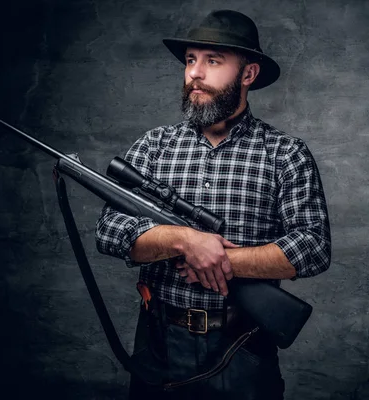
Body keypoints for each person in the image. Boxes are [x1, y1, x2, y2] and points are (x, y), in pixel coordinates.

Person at [96, 9, 331, 400]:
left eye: (213, 61)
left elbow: (313, 247)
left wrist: (222, 259)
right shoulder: (153, 146)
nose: (195, 73)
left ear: (249, 74)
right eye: (190, 60)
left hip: (243, 348)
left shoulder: (285, 153)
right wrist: (184, 240)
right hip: (159, 345)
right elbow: (108, 231)